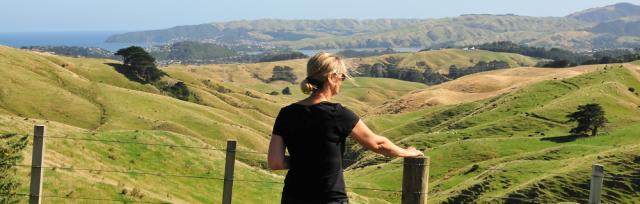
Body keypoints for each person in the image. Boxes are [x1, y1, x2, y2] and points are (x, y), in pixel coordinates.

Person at [268, 52, 423, 204]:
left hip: (293, 197)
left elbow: (275, 162)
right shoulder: (338, 114)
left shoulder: (286, 114)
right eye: (342, 76)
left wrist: (304, 161)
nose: (342, 80)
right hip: (329, 198)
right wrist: (407, 152)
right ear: (331, 77)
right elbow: (377, 144)